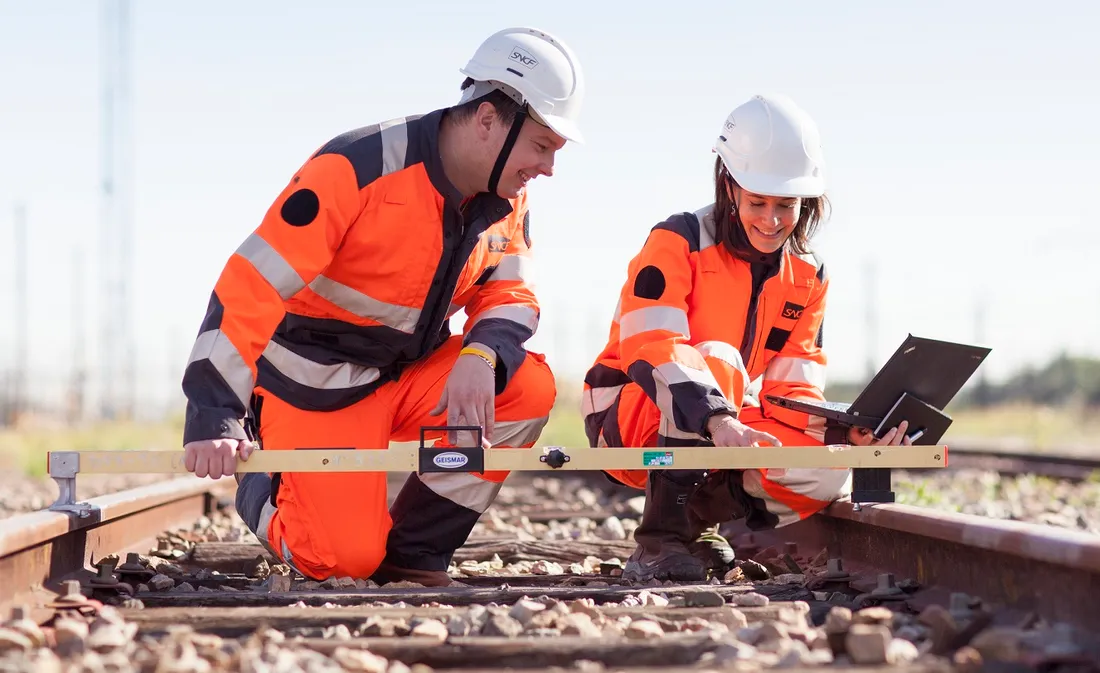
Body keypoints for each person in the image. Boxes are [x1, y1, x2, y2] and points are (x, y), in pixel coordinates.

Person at [179, 27, 584, 586]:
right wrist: (213, 410)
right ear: (489, 119)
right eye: (542, 146)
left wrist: (482, 355)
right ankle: (263, 482)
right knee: (340, 559)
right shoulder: (358, 167)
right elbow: (252, 284)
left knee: (525, 388)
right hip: (316, 384)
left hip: (407, 374)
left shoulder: (508, 200)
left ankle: (415, 552)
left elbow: (511, 293)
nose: (548, 168)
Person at [581, 94, 911, 582]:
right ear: (729, 188)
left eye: (787, 205)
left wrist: (846, 433)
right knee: (714, 359)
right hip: (628, 418)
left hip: (729, 420)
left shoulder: (808, 275)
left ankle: (696, 523)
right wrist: (716, 419)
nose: (771, 220)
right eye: (758, 202)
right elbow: (654, 347)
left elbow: (791, 389)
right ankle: (659, 542)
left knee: (827, 470)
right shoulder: (679, 241)